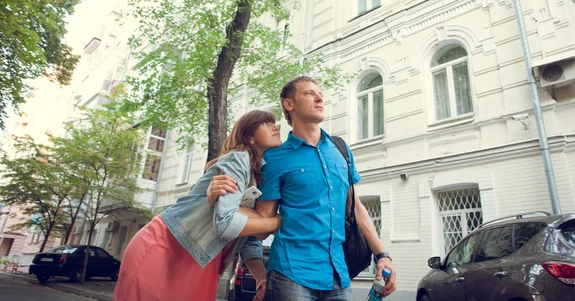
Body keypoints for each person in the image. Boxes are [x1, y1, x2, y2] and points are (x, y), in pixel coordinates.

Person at [210, 76, 397, 301]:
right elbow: (261, 223)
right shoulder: (275, 158)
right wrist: (219, 201)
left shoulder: (341, 149)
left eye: (320, 94)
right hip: (290, 275)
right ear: (289, 105)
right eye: (309, 93)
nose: (319, 98)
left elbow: (355, 207)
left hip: (338, 275)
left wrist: (382, 255)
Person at [113, 110, 282, 301]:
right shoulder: (238, 158)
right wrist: (277, 223)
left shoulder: (258, 175)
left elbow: (247, 237)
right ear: (250, 136)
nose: (275, 126)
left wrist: (261, 278)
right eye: (266, 123)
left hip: (203, 263)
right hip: (165, 247)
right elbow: (226, 223)